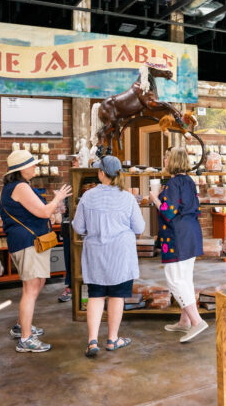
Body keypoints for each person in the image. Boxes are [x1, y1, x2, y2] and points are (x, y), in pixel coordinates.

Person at [72, 155, 145, 357]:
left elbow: (78, 227)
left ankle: (92, 341)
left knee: (95, 295)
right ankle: (113, 339)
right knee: (116, 296)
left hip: (95, 253)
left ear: (101, 173)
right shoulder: (128, 198)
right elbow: (139, 227)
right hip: (120, 255)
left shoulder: (88, 197)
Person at [0, 150, 72, 353]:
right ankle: (25, 339)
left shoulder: (16, 187)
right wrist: (57, 199)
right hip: (28, 243)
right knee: (31, 289)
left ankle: (21, 325)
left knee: (37, 282)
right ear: (21, 168)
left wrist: (51, 207)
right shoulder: (21, 187)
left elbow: (36, 212)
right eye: (32, 164)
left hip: (30, 242)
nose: (35, 167)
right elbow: (43, 212)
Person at [149, 147, 207, 342]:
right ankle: (185, 321)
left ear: (173, 161)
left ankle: (197, 321)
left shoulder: (173, 183)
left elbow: (168, 211)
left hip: (178, 236)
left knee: (175, 279)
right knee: (185, 278)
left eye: (166, 158)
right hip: (190, 233)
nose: (164, 161)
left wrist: (155, 200)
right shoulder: (189, 181)